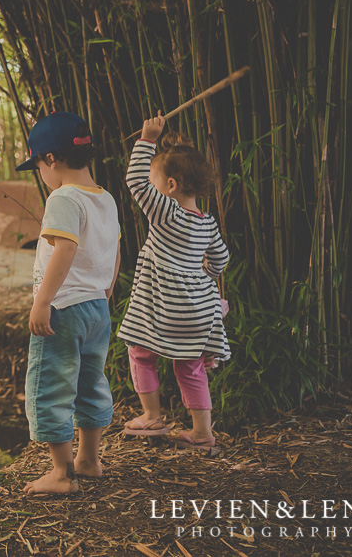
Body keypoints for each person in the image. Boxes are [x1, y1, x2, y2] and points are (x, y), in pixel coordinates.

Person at [15, 111, 121, 495]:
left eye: (38, 166)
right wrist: (106, 289)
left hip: (63, 309)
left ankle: (61, 474)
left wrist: (43, 301)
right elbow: (116, 247)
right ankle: (89, 460)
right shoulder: (105, 198)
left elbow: (66, 249)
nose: (41, 175)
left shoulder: (63, 197)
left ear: (50, 160)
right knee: (90, 381)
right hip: (96, 307)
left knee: (52, 385)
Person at [117, 112, 230, 450]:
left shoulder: (166, 212)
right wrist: (199, 278)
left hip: (162, 307)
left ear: (170, 186)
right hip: (199, 310)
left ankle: (151, 415)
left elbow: (135, 181)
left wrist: (147, 139)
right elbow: (221, 260)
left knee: (140, 351)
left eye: (155, 181)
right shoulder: (207, 222)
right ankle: (202, 433)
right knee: (191, 366)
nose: (150, 187)